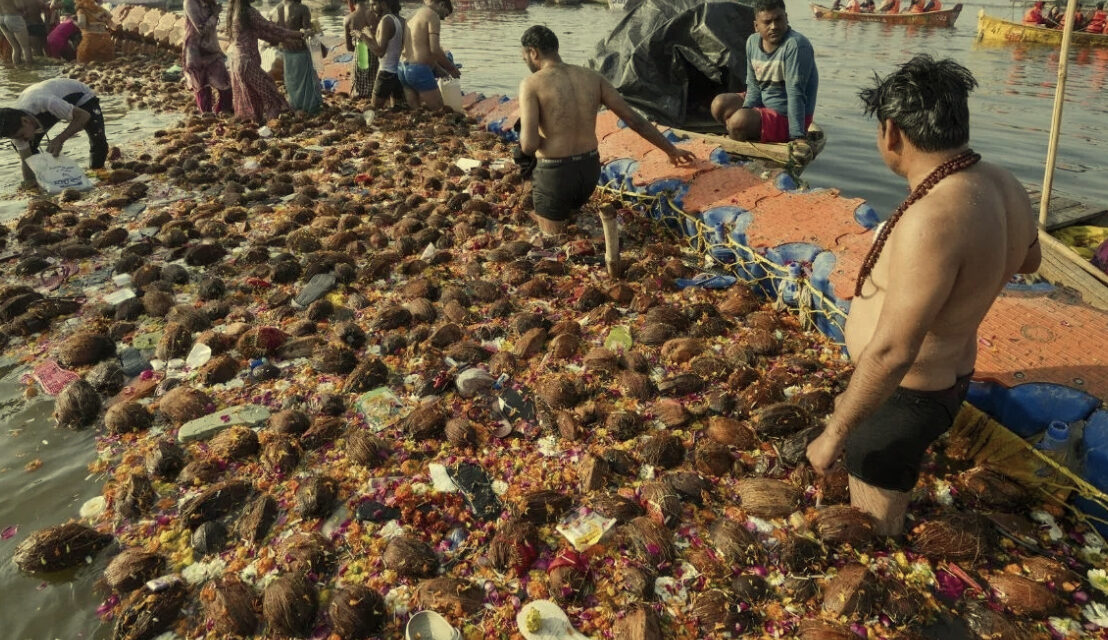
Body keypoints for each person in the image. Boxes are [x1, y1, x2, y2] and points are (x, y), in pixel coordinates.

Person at [805, 56, 1041, 537]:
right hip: (950, 379)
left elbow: (893, 351)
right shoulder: (1005, 183)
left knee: (872, 533)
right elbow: (1029, 262)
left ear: (891, 133)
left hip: (904, 401)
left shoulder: (932, 217)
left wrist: (835, 435)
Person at [516, 26, 696, 275]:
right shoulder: (592, 77)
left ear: (533, 52)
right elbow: (634, 119)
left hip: (555, 176)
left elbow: (529, 145)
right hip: (589, 171)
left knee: (554, 251)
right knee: (577, 232)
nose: (525, 61)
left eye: (524, 57)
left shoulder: (531, 84)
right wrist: (671, 150)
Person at [709, 0, 818, 153]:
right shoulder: (752, 42)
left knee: (738, 122)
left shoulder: (796, 45)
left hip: (786, 114)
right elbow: (754, 84)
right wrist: (748, 110)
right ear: (756, 26)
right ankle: (743, 133)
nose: (774, 26)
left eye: (778, 19)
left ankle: (746, 134)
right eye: (767, 22)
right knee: (719, 104)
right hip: (764, 100)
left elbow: (795, 93)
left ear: (786, 18)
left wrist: (797, 136)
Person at [0, 78, 108, 189]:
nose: (23, 139)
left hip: (80, 97)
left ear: (25, 121)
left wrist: (59, 139)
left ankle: (100, 177)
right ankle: (48, 182)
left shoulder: (45, 103)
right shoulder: (15, 129)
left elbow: (84, 116)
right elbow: (26, 161)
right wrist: (30, 187)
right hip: (40, 111)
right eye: (17, 138)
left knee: (97, 138)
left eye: (22, 135)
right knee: (32, 156)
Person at [225, 0, 305, 122]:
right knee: (271, 95)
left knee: (252, 98)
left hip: (236, 62)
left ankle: (256, 125)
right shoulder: (249, 12)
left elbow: (264, 34)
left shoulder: (235, 14)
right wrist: (299, 34)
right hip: (247, 63)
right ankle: (271, 127)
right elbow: (272, 28)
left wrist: (286, 40)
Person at [399, 0, 459, 109]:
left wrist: (436, 67)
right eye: (445, 14)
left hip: (402, 68)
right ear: (441, 4)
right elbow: (434, 49)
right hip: (418, 71)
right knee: (440, 110)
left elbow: (417, 46)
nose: (443, 18)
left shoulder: (412, 15)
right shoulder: (432, 15)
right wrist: (451, 68)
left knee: (417, 111)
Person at [184, 0, 232, 114]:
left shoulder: (210, 3)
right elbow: (201, 30)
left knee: (226, 87)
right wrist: (215, 14)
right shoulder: (190, 3)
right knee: (202, 89)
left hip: (212, 51)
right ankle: (207, 121)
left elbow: (212, 27)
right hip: (195, 51)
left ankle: (222, 115)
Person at [274, 0, 322, 114]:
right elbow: (307, 30)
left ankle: (295, 105)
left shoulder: (279, 7)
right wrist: (313, 31)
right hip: (300, 50)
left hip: (287, 50)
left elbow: (276, 30)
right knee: (305, 81)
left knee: (292, 81)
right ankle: (308, 108)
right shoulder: (302, 8)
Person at [362, 0, 405, 109]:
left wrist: (362, 37)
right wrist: (371, 35)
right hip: (397, 72)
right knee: (397, 111)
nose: (371, 9)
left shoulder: (385, 21)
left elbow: (380, 52)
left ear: (383, 4)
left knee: (373, 110)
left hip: (386, 73)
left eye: (374, 4)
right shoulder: (396, 20)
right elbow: (387, 45)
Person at [345, 0, 379, 99]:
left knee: (358, 90)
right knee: (373, 86)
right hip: (374, 52)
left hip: (359, 52)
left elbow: (349, 47)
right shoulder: (373, 14)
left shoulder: (348, 18)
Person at [0, 0, 34, 66]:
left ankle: (17, 69)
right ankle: (30, 70)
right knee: (26, 47)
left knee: (15, 48)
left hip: (1, 18)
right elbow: (19, 6)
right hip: (13, 16)